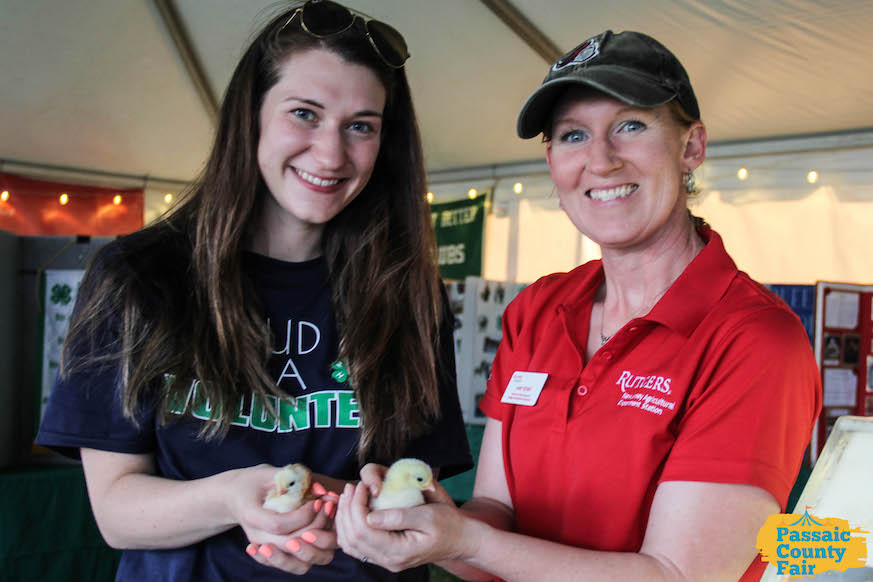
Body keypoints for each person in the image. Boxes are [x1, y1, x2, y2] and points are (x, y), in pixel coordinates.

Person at [335, 30, 822, 582]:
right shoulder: (538, 310)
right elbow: (498, 516)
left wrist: (466, 540)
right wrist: (422, 524)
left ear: (691, 147)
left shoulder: (753, 340)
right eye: (573, 135)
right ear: (551, 160)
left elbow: (676, 575)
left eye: (631, 126)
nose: (601, 161)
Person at [35, 1, 472, 580]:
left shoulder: (409, 294)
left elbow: (410, 491)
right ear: (252, 115)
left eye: (360, 126)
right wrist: (231, 497)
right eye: (305, 114)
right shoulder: (138, 277)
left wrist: (318, 505)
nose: (331, 154)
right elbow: (116, 510)